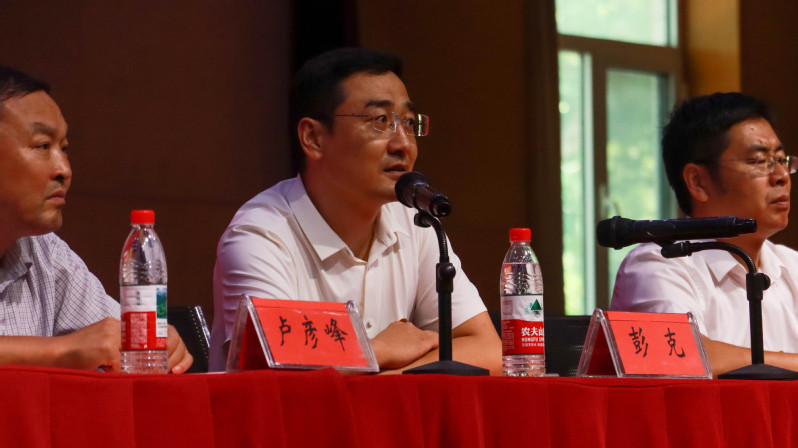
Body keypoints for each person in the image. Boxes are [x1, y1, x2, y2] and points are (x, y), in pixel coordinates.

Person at [210, 48, 501, 373]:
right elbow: (276, 370)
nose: (403, 144)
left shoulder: (415, 223)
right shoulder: (260, 235)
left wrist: (388, 378)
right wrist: (378, 349)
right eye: (380, 121)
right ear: (313, 138)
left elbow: (486, 348)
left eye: (408, 123)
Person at [0, 65, 193, 373]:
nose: (64, 170)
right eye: (43, 146)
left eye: (64, 148)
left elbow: (111, 341)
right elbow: (73, 348)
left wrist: (152, 345)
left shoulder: (47, 254)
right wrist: (59, 351)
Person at [610, 92, 798, 376]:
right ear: (698, 182)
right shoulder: (657, 264)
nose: (781, 176)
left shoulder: (792, 266)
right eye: (759, 161)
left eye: (782, 160)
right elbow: (680, 355)